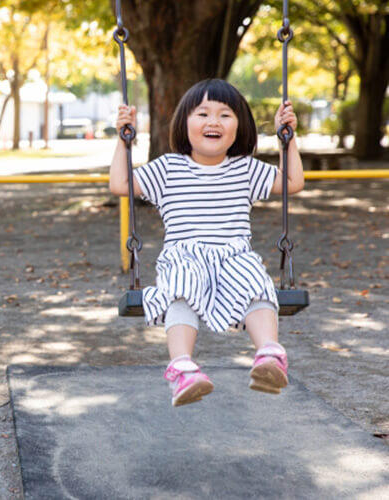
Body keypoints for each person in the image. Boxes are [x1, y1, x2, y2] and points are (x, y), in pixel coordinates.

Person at [109, 79, 304, 407]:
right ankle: (183, 367)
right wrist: (123, 140)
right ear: (184, 124)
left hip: (234, 254)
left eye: (225, 115)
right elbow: (121, 183)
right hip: (185, 255)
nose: (214, 121)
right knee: (181, 286)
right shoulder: (169, 168)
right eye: (203, 113)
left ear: (239, 128)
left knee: (256, 283)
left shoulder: (244, 168)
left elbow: (292, 182)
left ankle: (269, 353)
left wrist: (288, 140)